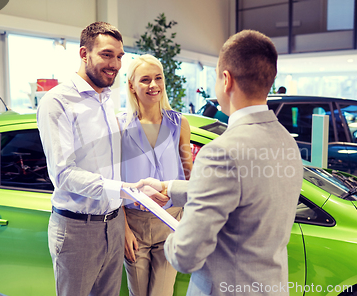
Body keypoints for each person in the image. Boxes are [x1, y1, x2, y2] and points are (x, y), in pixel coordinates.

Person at [142, 30, 303, 296]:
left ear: (226, 80)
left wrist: (172, 236)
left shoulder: (222, 152)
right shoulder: (286, 141)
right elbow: (244, 189)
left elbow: (185, 256)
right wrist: (169, 188)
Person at [37, 22, 139, 296]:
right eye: (107, 54)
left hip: (114, 224)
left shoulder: (106, 98)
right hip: (77, 230)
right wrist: (121, 189)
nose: (115, 64)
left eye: (119, 57)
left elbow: (111, 163)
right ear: (84, 54)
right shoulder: (57, 102)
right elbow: (63, 174)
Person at [118, 54, 193, 296]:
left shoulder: (179, 123)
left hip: (171, 221)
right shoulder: (119, 126)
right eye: (145, 80)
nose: (153, 85)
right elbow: (115, 182)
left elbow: (190, 178)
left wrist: (187, 222)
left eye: (158, 78)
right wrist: (124, 229)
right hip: (134, 222)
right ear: (131, 85)